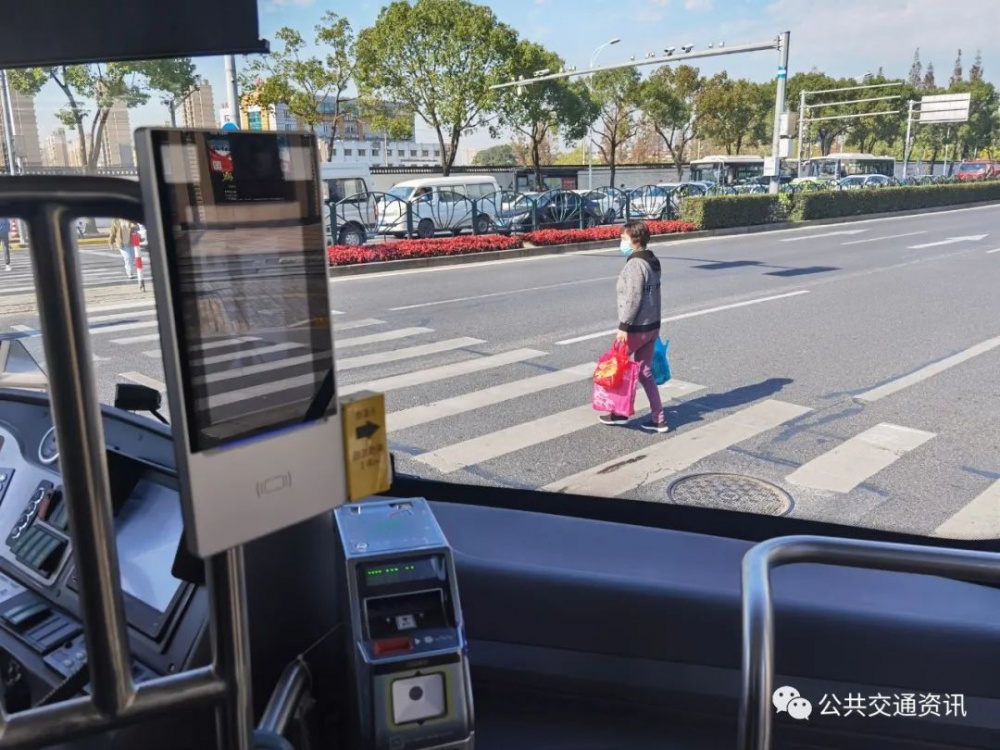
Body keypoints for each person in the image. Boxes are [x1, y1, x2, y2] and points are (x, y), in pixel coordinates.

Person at [600, 219, 669, 433]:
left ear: (635, 240)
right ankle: (659, 419)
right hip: (652, 326)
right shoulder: (652, 261)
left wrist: (624, 326)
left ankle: (619, 413)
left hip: (636, 327)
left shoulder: (634, 265)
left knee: (617, 367)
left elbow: (633, 298)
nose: (621, 242)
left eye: (623, 238)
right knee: (645, 372)